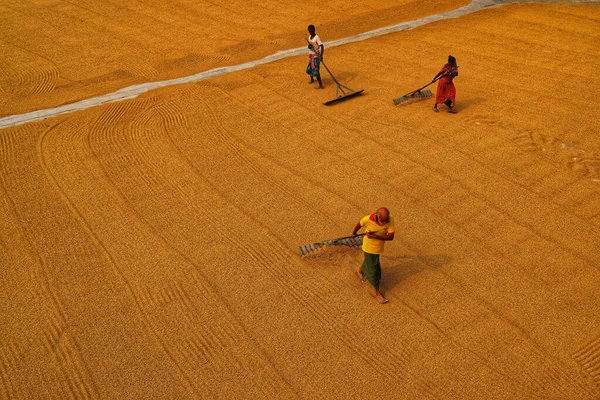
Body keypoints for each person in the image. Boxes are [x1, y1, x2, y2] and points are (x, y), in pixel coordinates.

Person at [352, 207, 395, 304]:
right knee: (375, 270)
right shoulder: (367, 219)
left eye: (386, 220)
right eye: (383, 221)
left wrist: (375, 236)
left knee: (370, 261)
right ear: (377, 217)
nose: (385, 222)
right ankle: (377, 293)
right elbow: (359, 224)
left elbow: (391, 237)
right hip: (369, 248)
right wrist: (354, 233)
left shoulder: (390, 218)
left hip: (378, 248)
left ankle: (360, 270)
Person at [306, 25, 324, 89]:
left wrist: (321, 56)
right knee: (309, 69)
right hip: (311, 56)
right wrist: (309, 46)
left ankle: (320, 85)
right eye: (310, 31)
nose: (311, 32)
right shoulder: (309, 37)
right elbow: (309, 46)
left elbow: (322, 46)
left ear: (314, 30)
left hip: (316, 57)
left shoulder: (317, 38)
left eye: (312, 31)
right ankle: (312, 79)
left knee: (316, 72)